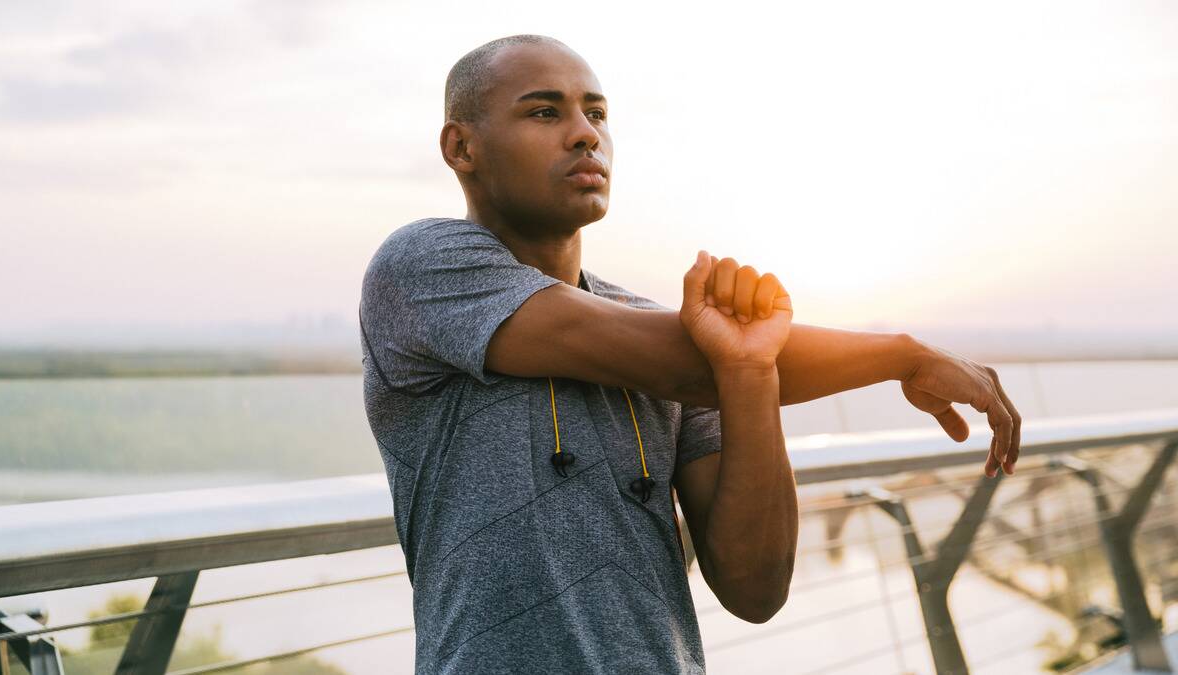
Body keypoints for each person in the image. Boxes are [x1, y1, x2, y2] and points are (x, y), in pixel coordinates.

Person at [359, 34, 1022, 674]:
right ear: (461, 146)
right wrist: (901, 354)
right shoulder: (422, 268)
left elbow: (754, 587)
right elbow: (681, 361)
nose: (586, 133)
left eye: (597, 113)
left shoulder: (677, 339)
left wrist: (751, 369)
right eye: (543, 111)